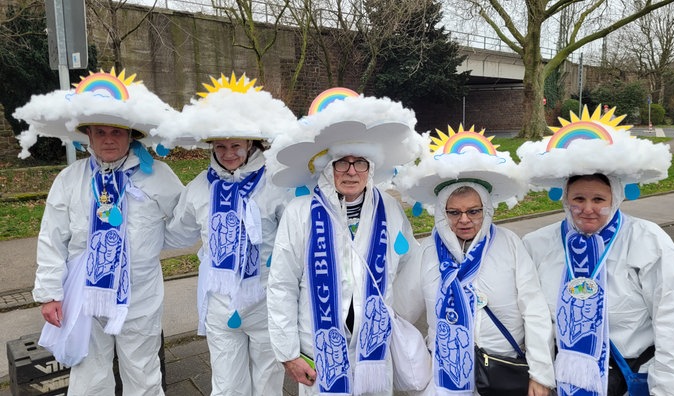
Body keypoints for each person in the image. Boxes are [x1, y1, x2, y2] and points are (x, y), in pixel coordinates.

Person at [14, 68, 184, 395]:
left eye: (117, 132)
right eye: (100, 131)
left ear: (131, 135)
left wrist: (151, 243)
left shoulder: (158, 177)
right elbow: (52, 238)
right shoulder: (70, 180)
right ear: (88, 135)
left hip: (140, 295)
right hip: (85, 294)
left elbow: (183, 222)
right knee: (89, 377)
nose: (109, 139)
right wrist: (50, 293)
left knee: (144, 373)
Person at [518, 105, 674, 396]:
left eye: (599, 199)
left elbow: (673, 323)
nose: (588, 209)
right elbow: (529, 317)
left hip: (628, 381)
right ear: (564, 198)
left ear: (616, 198)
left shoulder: (647, 241)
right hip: (562, 382)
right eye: (578, 198)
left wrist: (672, 389)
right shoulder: (538, 244)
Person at [266, 88, 424, 395]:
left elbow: (409, 266)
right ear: (328, 166)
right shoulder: (300, 213)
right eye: (342, 162)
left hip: (375, 350)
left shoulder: (389, 209)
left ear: (371, 167)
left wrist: (393, 318)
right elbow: (281, 284)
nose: (351, 171)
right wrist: (287, 353)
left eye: (360, 162)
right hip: (318, 348)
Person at [152, 72, 297, 395]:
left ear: (251, 143)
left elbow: (295, 238)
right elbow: (178, 233)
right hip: (219, 300)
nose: (228, 152)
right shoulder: (200, 188)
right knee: (227, 384)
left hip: (265, 296)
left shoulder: (275, 183)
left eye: (236, 145)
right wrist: (141, 223)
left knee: (267, 382)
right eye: (221, 145)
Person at [392, 125, 555, 395]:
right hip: (443, 377)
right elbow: (399, 313)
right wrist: (415, 362)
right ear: (442, 214)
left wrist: (540, 374)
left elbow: (534, 311)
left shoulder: (509, 244)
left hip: (500, 372)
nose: (464, 220)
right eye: (454, 212)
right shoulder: (427, 252)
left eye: (473, 211)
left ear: (487, 210)